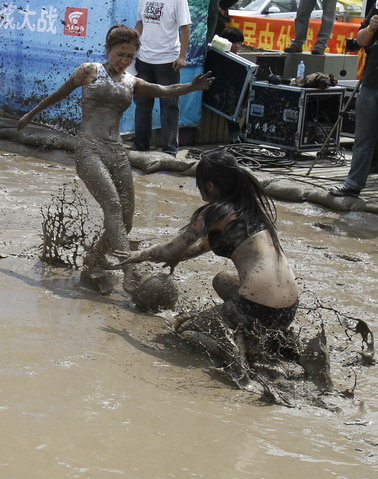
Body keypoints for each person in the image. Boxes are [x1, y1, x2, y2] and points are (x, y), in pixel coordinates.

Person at [17, 25, 213, 292]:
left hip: (116, 152)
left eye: (130, 57)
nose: (124, 61)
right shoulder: (89, 71)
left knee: (127, 218)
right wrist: (30, 115)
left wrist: (191, 86)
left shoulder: (131, 82)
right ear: (108, 49)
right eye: (120, 54)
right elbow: (60, 93)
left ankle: (94, 263)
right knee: (112, 205)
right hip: (89, 149)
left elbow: (165, 90)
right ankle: (130, 270)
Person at [114, 149, 299, 339]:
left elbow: (169, 250)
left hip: (255, 308)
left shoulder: (216, 213)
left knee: (184, 331)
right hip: (288, 311)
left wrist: (136, 255)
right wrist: (179, 257)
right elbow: (204, 245)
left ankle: (240, 352)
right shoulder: (251, 209)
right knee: (223, 279)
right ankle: (270, 342)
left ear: (210, 185)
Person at [133, 0, 191, 157]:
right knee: (142, 104)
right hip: (144, 59)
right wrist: (131, 48)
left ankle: (170, 150)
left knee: (169, 106)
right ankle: (140, 146)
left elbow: (185, 27)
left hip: (168, 61)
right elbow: (140, 23)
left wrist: (182, 56)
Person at [330, 8, 378, 197]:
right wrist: (371, 28)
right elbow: (361, 40)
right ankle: (353, 184)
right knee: (363, 137)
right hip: (371, 83)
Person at [221, 27, 247, 143]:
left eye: (239, 43)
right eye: (234, 43)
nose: (237, 46)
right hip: (221, 93)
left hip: (237, 91)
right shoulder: (219, 56)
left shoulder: (239, 59)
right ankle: (235, 135)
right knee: (230, 98)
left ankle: (246, 133)